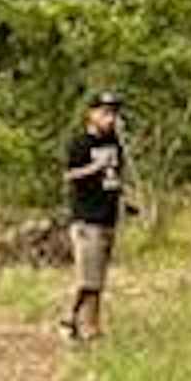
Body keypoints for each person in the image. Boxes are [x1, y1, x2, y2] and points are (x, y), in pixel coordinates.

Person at [61, 89, 130, 344]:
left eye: (113, 113)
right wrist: (93, 168)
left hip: (108, 216)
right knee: (86, 278)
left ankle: (91, 327)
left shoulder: (116, 143)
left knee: (98, 280)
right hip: (86, 219)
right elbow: (68, 175)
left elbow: (116, 176)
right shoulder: (80, 143)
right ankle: (67, 319)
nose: (110, 118)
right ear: (91, 115)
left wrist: (125, 198)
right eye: (105, 113)